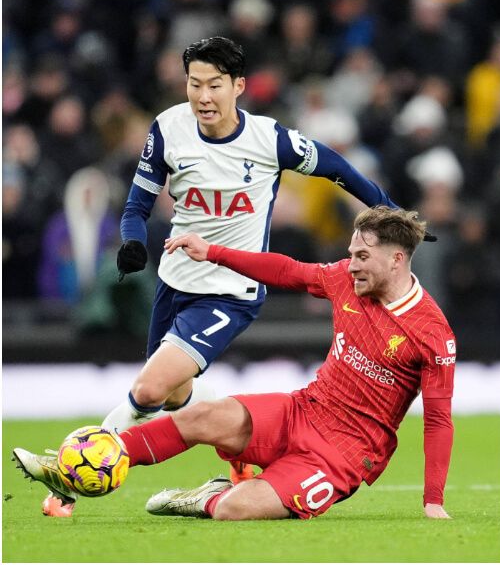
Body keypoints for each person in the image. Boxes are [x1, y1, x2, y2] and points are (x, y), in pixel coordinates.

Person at [56, 36, 403, 518]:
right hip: (174, 282)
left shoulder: (269, 139)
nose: (203, 96)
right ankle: (238, 457)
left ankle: (71, 475)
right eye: (194, 84)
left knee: (149, 390)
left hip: (230, 290)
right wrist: (132, 242)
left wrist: (392, 213)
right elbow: (136, 205)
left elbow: (338, 168)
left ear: (238, 86)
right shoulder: (168, 128)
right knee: (175, 396)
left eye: (214, 85)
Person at [14, 207, 456, 521]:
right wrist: (214, 252)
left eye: (362, 257)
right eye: (351, 254)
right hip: (303, 409)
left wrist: (432, 500)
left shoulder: (431, 333)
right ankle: (79, 468)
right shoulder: (346, 279)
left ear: (397, 259)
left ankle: (206, 498)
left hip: (342, 454)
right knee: (202, 416)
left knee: (235, 509)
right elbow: (287, 270)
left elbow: (438, 420)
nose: (351, 265)